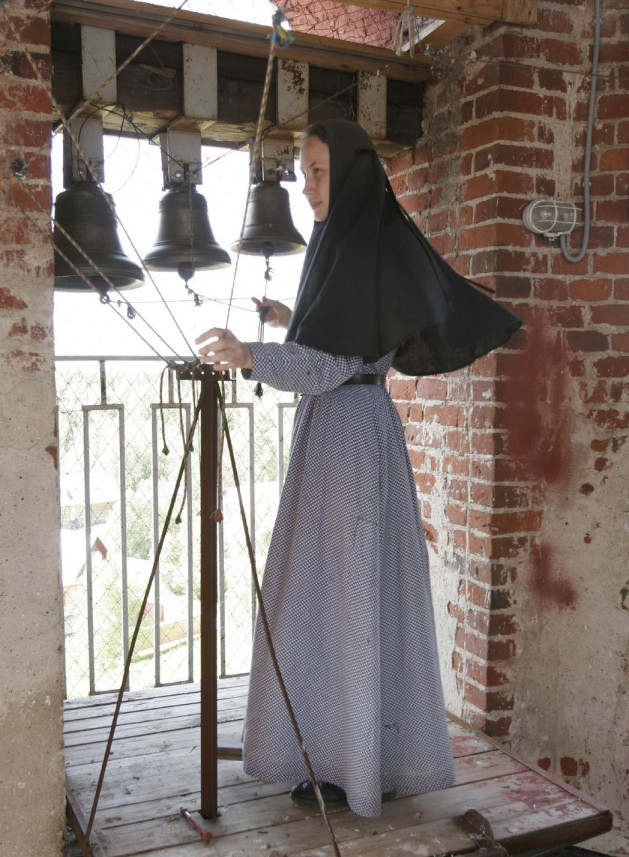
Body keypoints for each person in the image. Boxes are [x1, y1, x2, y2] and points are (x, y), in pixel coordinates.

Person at [196, 119, 521, 818]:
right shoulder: (347, 241)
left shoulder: (368, 245)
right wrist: (290, 317)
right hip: (337, 434)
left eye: (317, 171)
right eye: (303, 173)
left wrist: (251, 355)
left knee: (351, 599)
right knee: (326, 595)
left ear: (347, 171)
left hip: (351, 440)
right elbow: (346, 339)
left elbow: (335, 362)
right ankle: (329, 752)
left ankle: (362, 763)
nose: (306, 186)